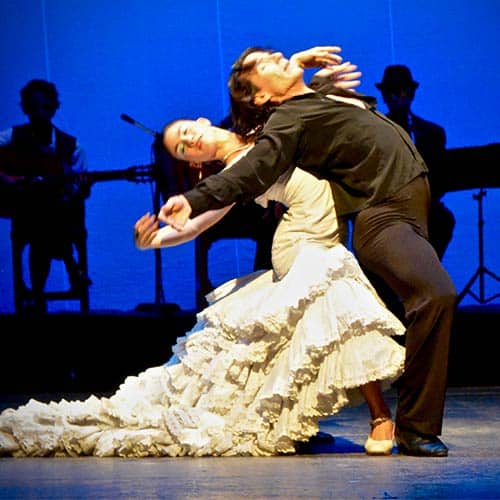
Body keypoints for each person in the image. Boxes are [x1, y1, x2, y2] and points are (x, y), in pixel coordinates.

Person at [0, 110, 406, 457]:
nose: (189, 142)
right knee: (339, 305)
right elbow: (199, 221)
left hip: (318, 233)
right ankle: (381, 417)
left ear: (202, 121)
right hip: (301, 243)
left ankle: (299, 419)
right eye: (181, 148)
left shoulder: (269, 129)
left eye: (186, 133)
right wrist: (156, 239)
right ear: (191, 161)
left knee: (291, 340)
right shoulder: (232, 173)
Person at [159, 46, 457, 457]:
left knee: (317, 331)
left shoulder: (309, 101)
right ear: (260, 96)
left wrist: (302, 70)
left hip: (409, 206)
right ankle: (413, 427)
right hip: (381, 216)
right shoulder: (287, 120)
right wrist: (194, 200)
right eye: (265, 63)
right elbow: (249, 172)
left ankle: (302, 417)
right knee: (432, 295)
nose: (279, 57)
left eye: (275, 55)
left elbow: (306, 97)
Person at [0, 79, 91, 313]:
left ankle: (38, 294)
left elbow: (81, 189)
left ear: (53, 108)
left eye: (45, 107)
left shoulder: (71, 146)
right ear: (25, 109)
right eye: (33, 108)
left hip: (58, 214)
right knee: (42, 221)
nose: (39, 113)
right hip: (27, 214)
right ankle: (73, 269)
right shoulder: (12, 137)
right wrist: (8, 179)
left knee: (47, 222)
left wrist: (76, 186)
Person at [375, 64, 455, 260]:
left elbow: (440, 175)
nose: (400, 97)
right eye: (394, 92)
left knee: (443, 220)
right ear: (385, 96)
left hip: (425, 205)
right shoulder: (376, 132)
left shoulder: (433, 133)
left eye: (404, 91)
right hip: (389, 206)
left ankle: (426, 274)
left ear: (412, 94)